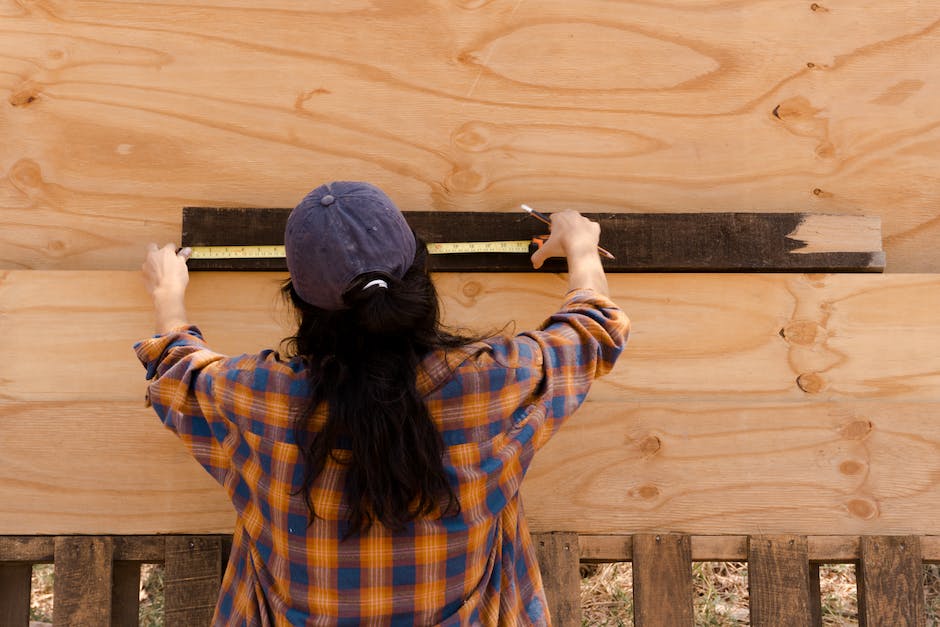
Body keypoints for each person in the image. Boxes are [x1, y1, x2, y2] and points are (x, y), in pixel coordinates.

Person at [135, 181, 629, 626]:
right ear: (418, 276)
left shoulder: (257, 398)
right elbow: (593, 332)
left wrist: (168, 297)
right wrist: (582, 250)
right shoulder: (498, 383)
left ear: (299, 304)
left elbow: (176, 372)